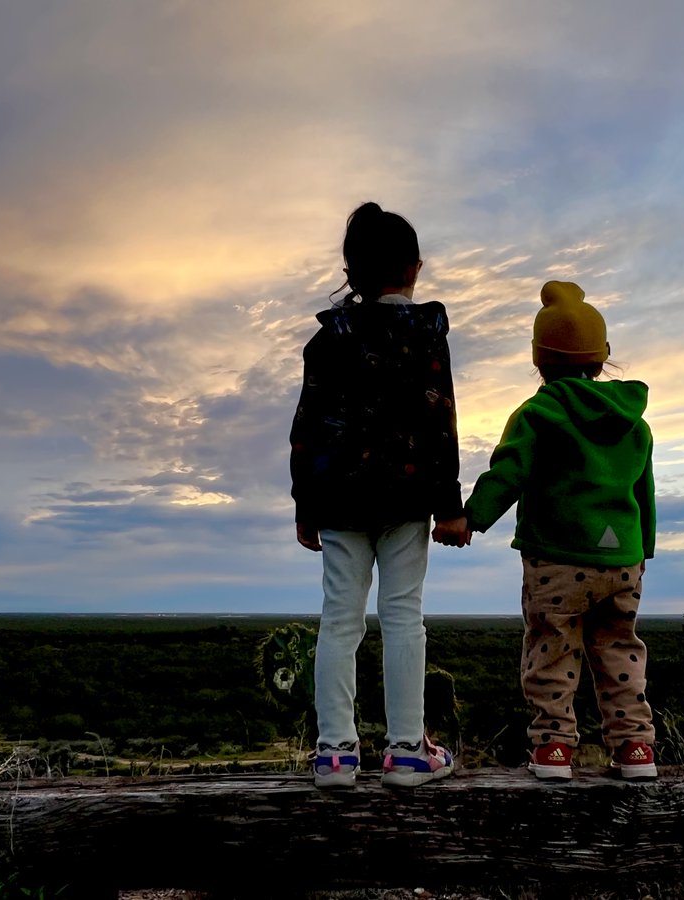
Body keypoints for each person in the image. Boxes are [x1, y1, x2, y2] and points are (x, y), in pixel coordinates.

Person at [289, 201, 468, 789]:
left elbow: (308, 428)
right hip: (408, 496)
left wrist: (305, 504)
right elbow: (442, 422)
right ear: (414, 268)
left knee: (340, 619)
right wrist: (450, 505)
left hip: (340, 499)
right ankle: (407, 751)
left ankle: (335, 754)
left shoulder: (328, 339)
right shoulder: (426, 335)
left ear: (353, 270)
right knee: (402, 618)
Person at [463, 280, 658, 780]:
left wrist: (470, 517)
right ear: (602, 356)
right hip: (624, 563)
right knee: (620, 650)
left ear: (539, 359)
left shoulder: (538, 413)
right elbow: (643, 492)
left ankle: (552, 750)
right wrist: (644, 546)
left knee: (552, 649)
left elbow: (509, 471)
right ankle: (635, 747)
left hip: (556, 560)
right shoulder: (634, 424)